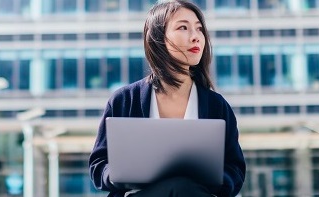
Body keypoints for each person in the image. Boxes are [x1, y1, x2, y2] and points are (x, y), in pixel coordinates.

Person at [89, 0, 246, 196]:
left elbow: (235, 168)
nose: (196, 37)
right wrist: (118, 174)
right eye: (183, 27)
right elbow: (99, 165)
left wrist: (217, 180)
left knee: (183, 187)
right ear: (158, 37)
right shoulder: (125, 100)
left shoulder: (217, 106)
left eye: (199, 29)